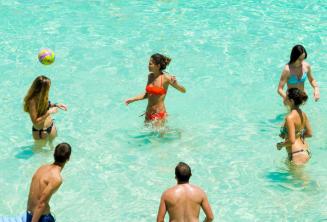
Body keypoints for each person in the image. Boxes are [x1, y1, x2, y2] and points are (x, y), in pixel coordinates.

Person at [125, 53, 186, 126]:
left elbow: (183, 91)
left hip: (159, 115)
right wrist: (132, 99)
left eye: (150, 64)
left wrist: (176, 83)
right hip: (148, 113)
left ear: (158, 66)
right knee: (147, 137)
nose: (148, 66)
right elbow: (147, 94)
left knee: (159, 137)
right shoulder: (150, 76)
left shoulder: (166, 78)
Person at [26, 142, 71, 222]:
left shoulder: (42, 168)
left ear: (54, 153)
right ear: (68, 159)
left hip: (29, 214)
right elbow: (41, 203)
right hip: (41, 218)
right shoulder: (57, 178)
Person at [24, 75, 67, 148]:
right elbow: (35, 121)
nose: (49, 89)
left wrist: (56, 105)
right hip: (41, 131)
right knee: (40, 153)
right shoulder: (32, 101)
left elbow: (45, 105)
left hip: (51, 126)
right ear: (42, 89)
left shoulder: (43, 96)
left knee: (53, 148)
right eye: (48, 87)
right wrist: (49, 112)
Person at [277, 88, 312, 165]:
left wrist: (280, 145)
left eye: (286, 97)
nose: (284, 98)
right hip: (305, 150)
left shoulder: (290, 117)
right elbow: (309, 134)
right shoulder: (303, 114)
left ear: (291, 101)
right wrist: (296, 134)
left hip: (296, 154)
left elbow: (292, 141)